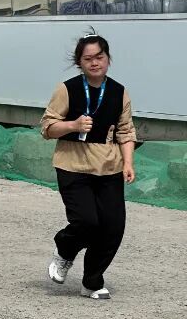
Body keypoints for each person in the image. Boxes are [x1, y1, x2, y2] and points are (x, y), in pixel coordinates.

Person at [41, 32, 136, 300]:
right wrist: (73, 125)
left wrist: (128, 163)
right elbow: (47, 127)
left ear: (108, 59)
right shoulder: (67, 89)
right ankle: (65, 250)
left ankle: (92, 282)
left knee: (113, 227)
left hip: (109, 167)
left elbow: (126, 131)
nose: (94, 63)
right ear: (79, 63)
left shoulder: (119, 91)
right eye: (88, 59)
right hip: (73, 165)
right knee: (86, 221)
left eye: (99, 57)